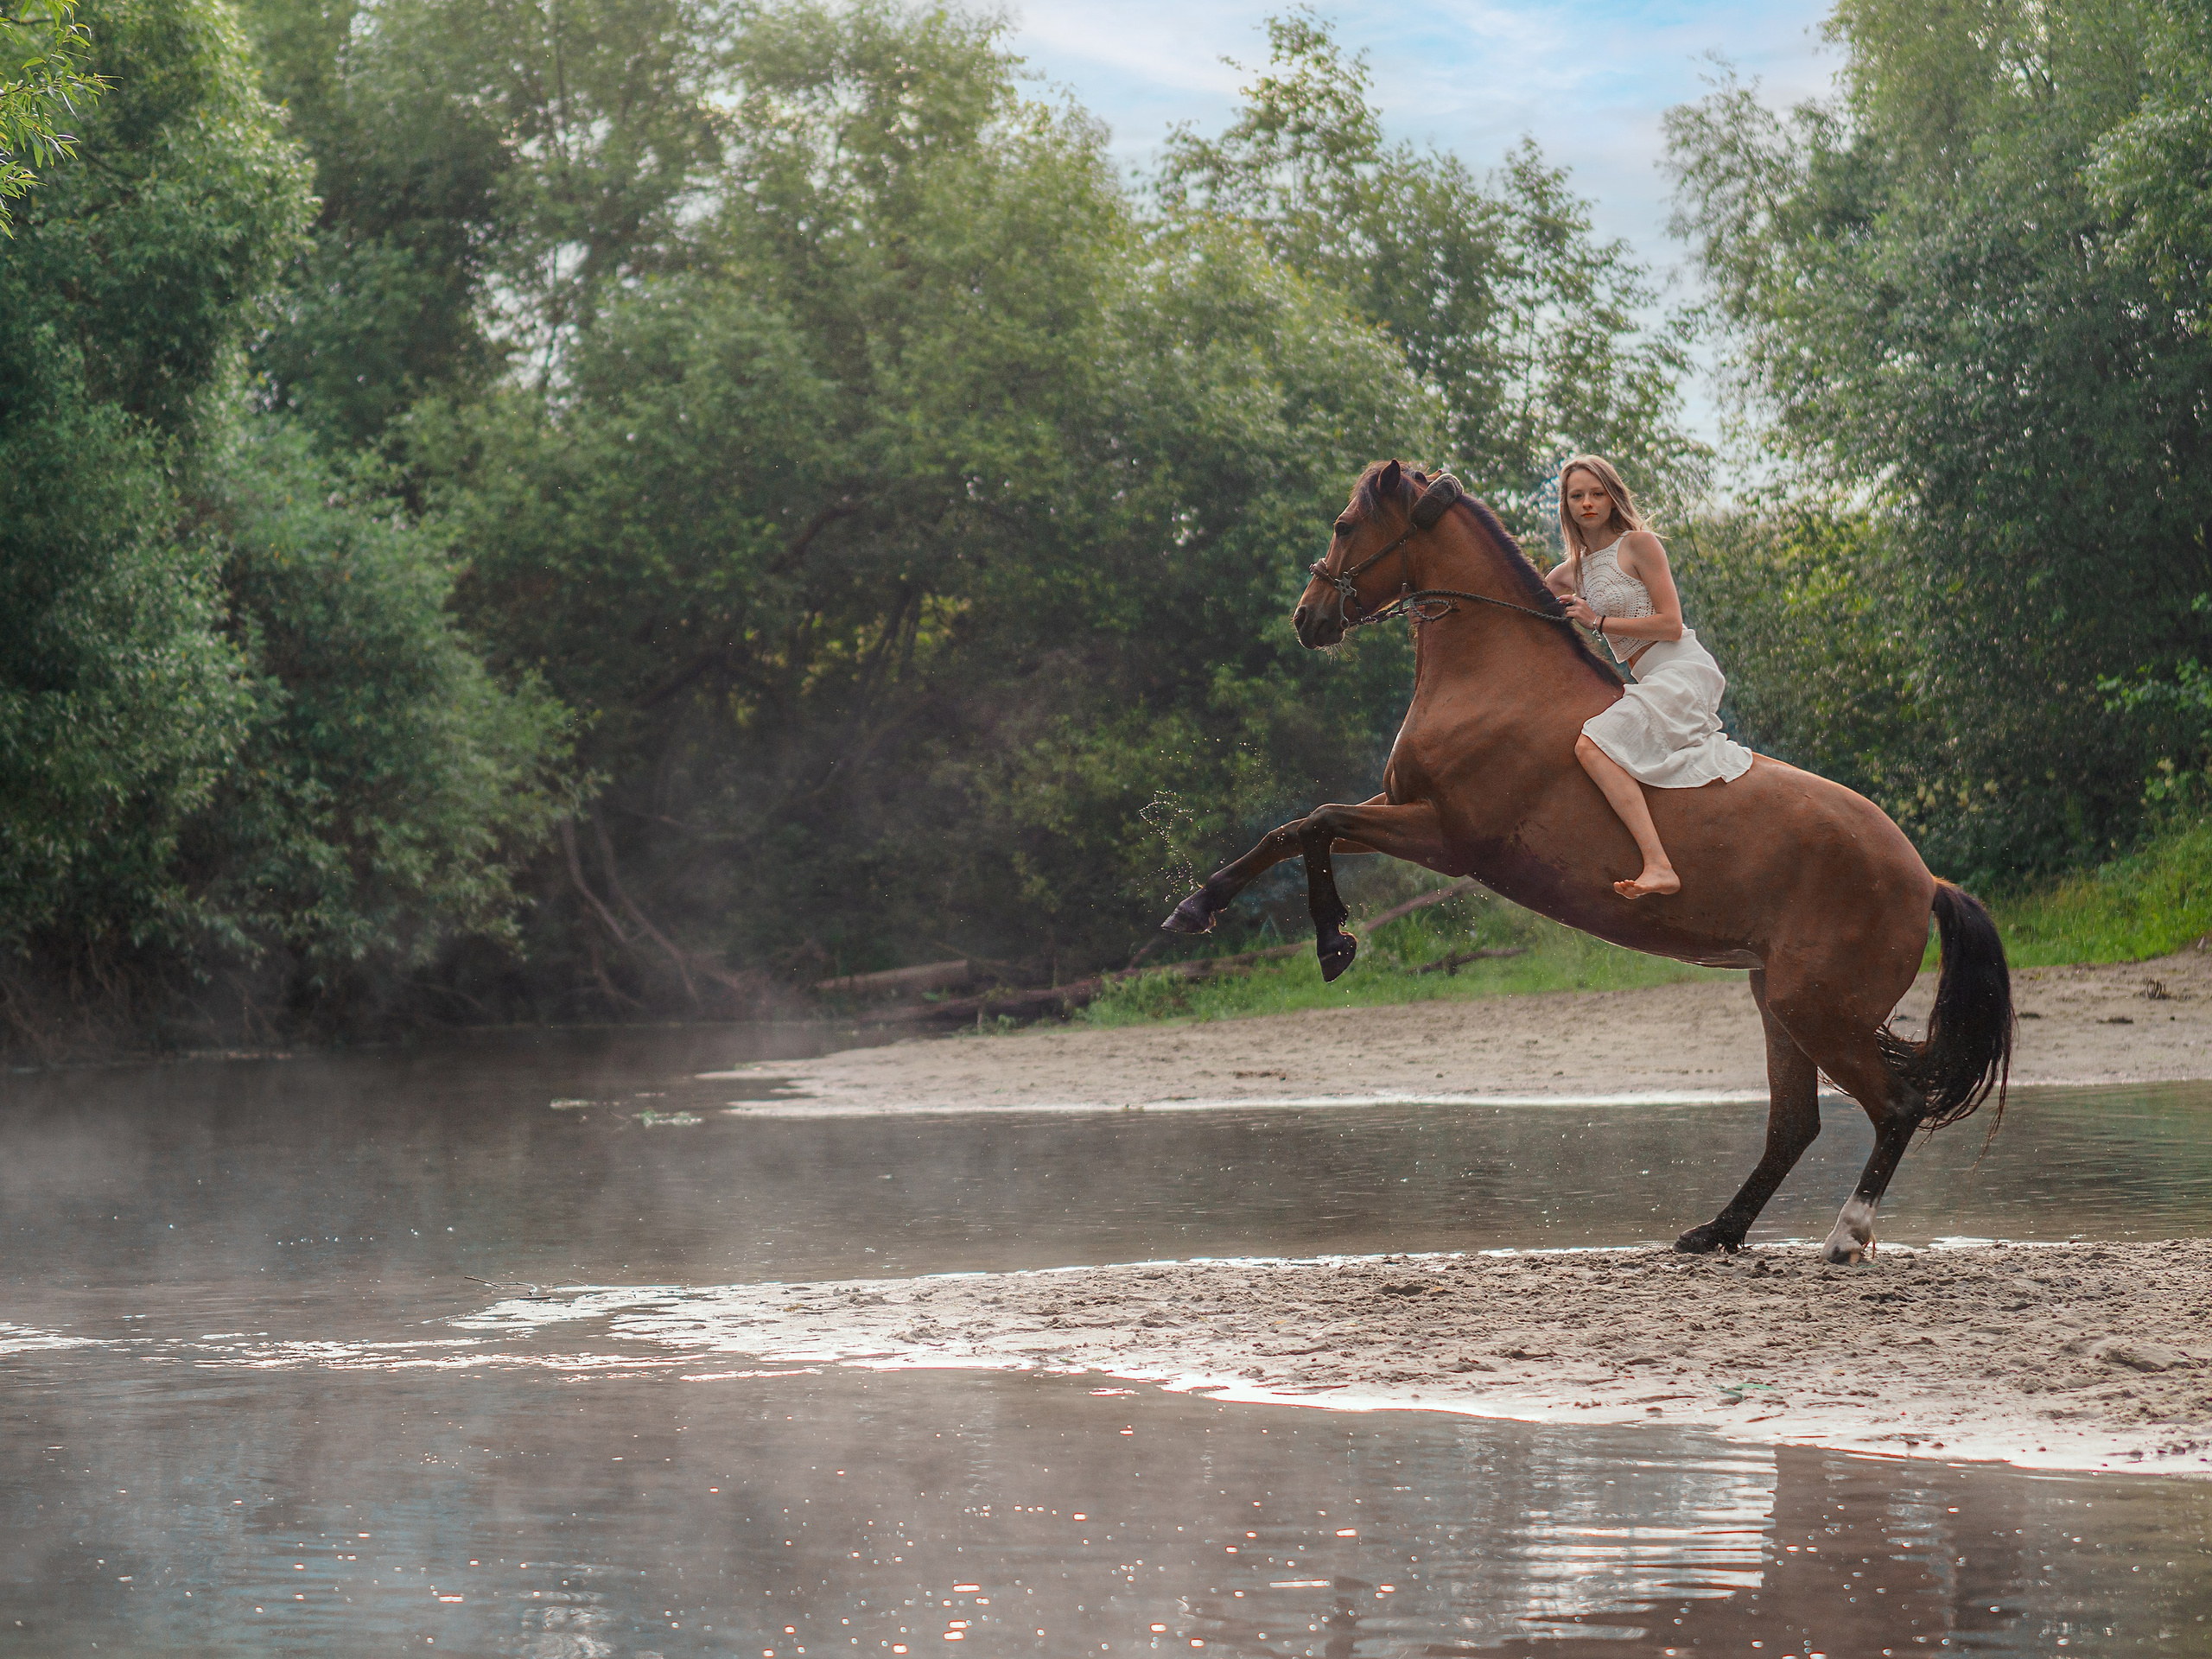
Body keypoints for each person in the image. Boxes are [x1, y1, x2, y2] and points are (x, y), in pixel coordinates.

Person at [1541, 454, 1752, 898]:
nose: (1587, 504)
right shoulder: (1567, 575)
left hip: (1681, 668)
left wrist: (1597, 623)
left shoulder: (1639, 545)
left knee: (1591, 745)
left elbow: (1671, 624)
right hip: (1647, 676)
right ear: (1565, 505)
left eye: (1596, 494)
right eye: (1576, 496)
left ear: (1612, 497)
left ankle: (1659, 865)